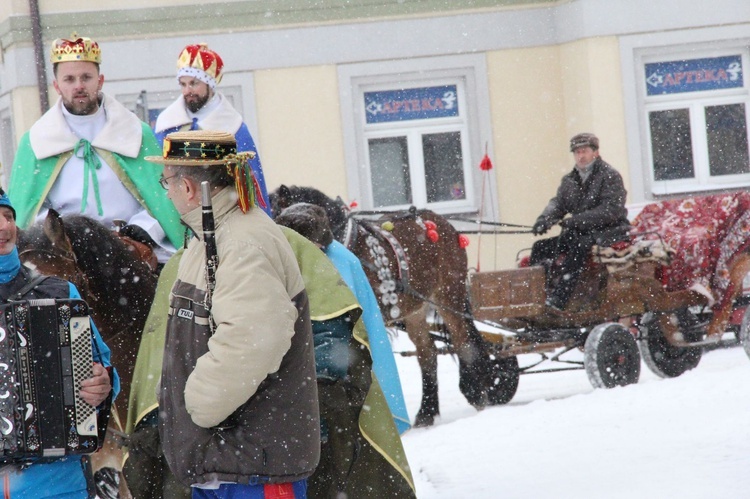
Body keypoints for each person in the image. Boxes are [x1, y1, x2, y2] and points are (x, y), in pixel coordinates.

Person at [146, 130, 319, 498]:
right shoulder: (210, 238)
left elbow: (254, 339)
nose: (167, 192)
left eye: (167, 182)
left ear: (188, 188)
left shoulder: (241, 243)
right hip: (225, 465)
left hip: (252, 470)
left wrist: (196, 406)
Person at [275, 205, 416, 498]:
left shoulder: (335, 262)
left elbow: (342, 333)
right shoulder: (302, 260)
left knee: (347, 471)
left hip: (337, 392)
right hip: (319, 394)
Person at [8, 33, 183, 265]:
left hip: (130, 248)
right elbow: (26, 214)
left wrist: (138, 229)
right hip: (64, 251)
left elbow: (163, 200)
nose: (79, 86)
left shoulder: (135, 134)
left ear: (100, 81)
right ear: (57, 86)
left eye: (86, 77)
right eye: (69, 79)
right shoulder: (37, 142)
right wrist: (61, 233)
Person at [0, 188, 119, 497]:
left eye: (8, 216)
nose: (3, 226)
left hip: (57, 485)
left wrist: (102, 385)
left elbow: (104, 370)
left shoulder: (57, 292)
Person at [153, 43, 271, 215]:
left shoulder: (232, 127)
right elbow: (156, 179)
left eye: (194, 83)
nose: (187, 91)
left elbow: (250, 184)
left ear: (210, 84)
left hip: (223, 213)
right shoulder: (167, 126)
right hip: (176, 214)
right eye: (183, 84)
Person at [530, 132, 630, 311]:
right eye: (576, 152)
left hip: (610, 230)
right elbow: (559, 203)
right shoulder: (569, 180)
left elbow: (610, 210)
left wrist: (577, 221)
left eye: (584, 151)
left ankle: (559, 300)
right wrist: (544, 220)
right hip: (580, 231)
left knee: (579, 246)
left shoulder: (610, 176)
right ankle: (536, 295)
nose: (580, 156)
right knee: (540, 247)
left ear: (595, 152)